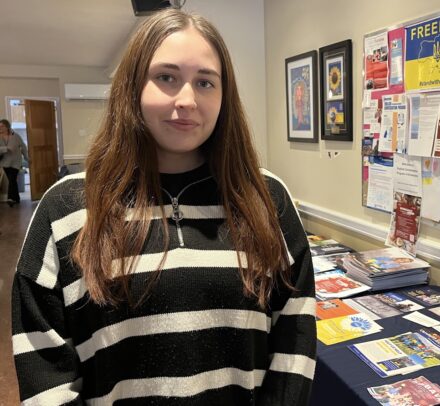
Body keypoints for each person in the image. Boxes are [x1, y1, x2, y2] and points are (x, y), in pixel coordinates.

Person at [12, 9, 316, 406]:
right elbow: (45, 369)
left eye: (205, 82)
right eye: (167, 78)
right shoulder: (66, 208)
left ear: (225, 97)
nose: (187, 100)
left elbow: (294, 338)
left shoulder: (267, 199)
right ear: (133, 86)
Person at [0, 119, 29, 207]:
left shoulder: (15, 136)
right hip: (5, 162)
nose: (0, 128)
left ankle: (10, 198)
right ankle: (16, 198)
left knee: (12, 179)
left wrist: (27, 157)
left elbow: (23, 146)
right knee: (12, 180)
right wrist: (6, 148)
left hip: (16, 162)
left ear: (7, 127)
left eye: (2, 126)